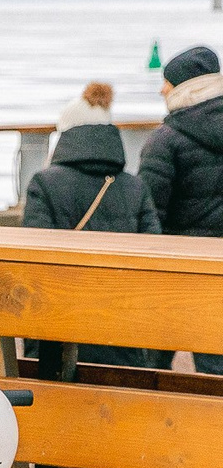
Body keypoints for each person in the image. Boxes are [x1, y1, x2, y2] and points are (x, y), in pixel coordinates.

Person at [21, 82, 162, 384]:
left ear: (66, 135)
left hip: (56, 332)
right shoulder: (135, 187)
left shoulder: (44, 183)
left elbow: (34, 256)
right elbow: (153, 252)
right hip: (123, 330)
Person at [141, 45, 223, 375]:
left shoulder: (166, 140)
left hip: (179, 268)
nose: (162, 89)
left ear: (186, 87)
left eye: (168, 83)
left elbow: (147, 214)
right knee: (215, 362)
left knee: (151, 362)